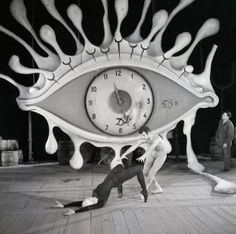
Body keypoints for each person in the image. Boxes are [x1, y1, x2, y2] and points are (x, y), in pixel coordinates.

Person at [52, 156, 148, 215]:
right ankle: (144, 191)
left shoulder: (95, 195)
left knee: (121, 164)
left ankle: (120, 185)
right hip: (116, 179)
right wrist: (75, 212)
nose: (88, 199)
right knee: (139, 169)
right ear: (92, 204)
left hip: (111, 176)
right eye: (88, 201)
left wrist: (63, 206)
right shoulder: (100, 202)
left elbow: (78, 203)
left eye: (87, 199)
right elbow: (88, 208)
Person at [121, 126, 167, 194]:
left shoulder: (157, 138)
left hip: (161, 154)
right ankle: (158, 188)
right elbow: (133, 147)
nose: (143, 137)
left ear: (148, 133)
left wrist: (144, 156)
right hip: (152, 153)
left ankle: (145, 190)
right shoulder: (143, 139)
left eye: (144, 135)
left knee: (151, 172)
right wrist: (124, 154)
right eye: (142, 136)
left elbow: (152, 146)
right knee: (145, 172)